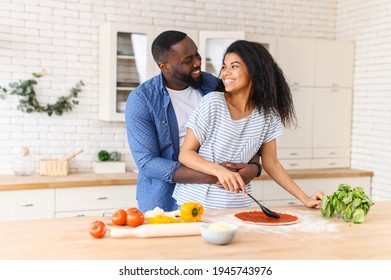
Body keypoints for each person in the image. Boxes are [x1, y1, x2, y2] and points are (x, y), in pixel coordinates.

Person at [174, 40, 324, 210]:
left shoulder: (268, 114)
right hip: (196, 203)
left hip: (237, 205)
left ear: (254, 70)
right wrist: (219, 171)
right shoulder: (213, 102)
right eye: (224, 67)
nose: (225, 73)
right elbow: (186, 154)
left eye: (234, 66)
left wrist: (305, 198)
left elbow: (271, 162)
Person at [125, 31, 260, 213]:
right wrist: (216, 174)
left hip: (214, 197)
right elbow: (147, 162)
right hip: (163, 200)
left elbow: (247, 126)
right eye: (187, 60)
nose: (197, 63)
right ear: (164, 66)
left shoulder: (213, 85)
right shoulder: (142, 99)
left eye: (196, 54)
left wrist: (254, 167)